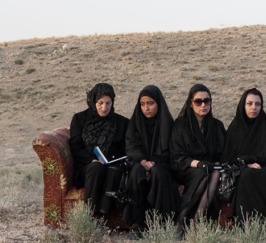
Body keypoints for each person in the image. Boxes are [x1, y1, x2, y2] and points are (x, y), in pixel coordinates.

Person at [68, 83, 129, 217]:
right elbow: (76, 147)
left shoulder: (122, 123)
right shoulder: (79, 119)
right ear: (93, 101)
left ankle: (103, 216)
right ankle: (90, 215)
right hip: (87, 168)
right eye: (100, 103)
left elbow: (126, 148)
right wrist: (93, 160)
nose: (104, 107)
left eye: (108, 103)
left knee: (114, 171)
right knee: (96, 168)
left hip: (112, 167)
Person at [222, 88, 266, 222]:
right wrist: (245, 163)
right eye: (249, 104)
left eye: (257, 104)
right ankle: (246, 223)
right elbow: (227, 158)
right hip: (241, 172)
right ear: (243, 105)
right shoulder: (235, 128)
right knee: (248, 174)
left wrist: (258, 164)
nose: (254, 107)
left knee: (262, 175)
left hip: (265, 170)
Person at [124, 85, 180, 229]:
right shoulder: (135, 122)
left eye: (150, 103)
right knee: (136, 171)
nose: (146, 108)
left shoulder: (168, 123)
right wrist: (143, 161)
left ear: (158, 103)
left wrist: (154, 163)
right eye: (142, 104)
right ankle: (137, 223)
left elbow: (171, 150)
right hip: (139, 163)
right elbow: (131, 146)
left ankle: (161, 222)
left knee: (158, 171)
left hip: (163, 164)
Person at [171, 84, 226, 225]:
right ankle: (182, 219)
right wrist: (198, 164)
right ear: (191, 104)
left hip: (210, 168)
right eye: (198, 101)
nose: (203, 105)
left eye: (207, 101)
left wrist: (216, 164)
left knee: (213, 173)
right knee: (204, 174)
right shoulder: (180, 125)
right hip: (186, 168)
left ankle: (196, 222)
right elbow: (177, 155)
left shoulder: (217, 125)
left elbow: (222, 152)